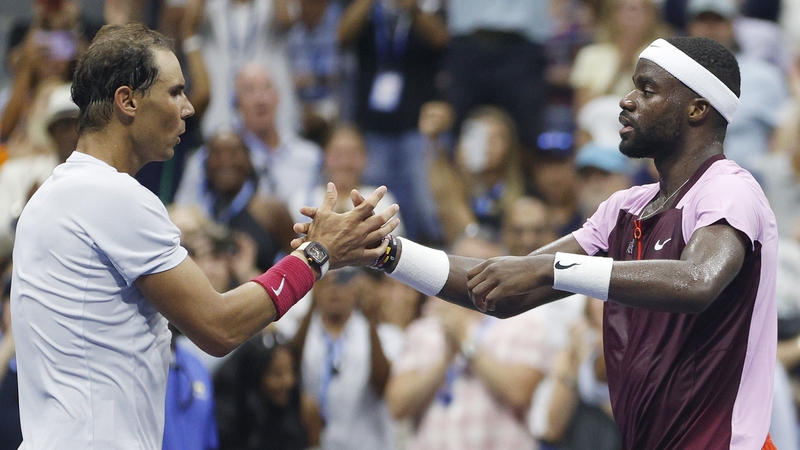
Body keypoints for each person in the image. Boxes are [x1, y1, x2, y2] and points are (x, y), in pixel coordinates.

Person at [324, 36, 778, 449]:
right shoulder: (624, 207)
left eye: (647, 90)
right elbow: (502, 290)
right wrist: (385, 252)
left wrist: (551, 268)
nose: (626, 101)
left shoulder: (729, 189)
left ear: (697, 109)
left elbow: (697, 281)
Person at [10, 23, 399, 449]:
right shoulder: (113, 196)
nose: (189, 107)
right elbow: (220, 326)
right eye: (175, 92)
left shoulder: (49, 197)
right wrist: (317, 256)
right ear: (128, 101)